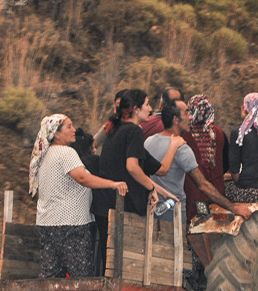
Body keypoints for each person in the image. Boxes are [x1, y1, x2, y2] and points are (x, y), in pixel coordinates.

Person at [92, 89, 182, 274]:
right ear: (135, 109)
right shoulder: (133, 131)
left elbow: (135, 171)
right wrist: (151, 189)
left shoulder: (115, 130)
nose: (150, 108)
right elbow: (132, 167)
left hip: (104, 205)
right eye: (147, 104)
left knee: (108, 263)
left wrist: (160, 191)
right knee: (123, 265)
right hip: (121, 207)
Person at [29, 114, 128, 278]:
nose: (74, 130)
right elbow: (82, 177)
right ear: (56, 134)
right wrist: (113, 184)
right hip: (70, 225)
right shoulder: (66, 153)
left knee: (51, 273)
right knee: (81, 275)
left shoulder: (43, 156)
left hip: (46, 223)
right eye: (69, 127)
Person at [145, 100, 253, 224]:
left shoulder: (148, 141)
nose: (191, 117)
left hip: (154, 211)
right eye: (186, 113)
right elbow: (203, 185)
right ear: (176, 119)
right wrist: (233, 207)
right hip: (175, 215)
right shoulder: (182, 147)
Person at [180, 94, 230, 223]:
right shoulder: (219, 133)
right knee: (217, 224)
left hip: (194, 191)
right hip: (217, 191)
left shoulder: (184, 134)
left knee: (195, 224)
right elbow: (226, 163)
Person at [93, 89, 128, 154]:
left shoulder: (135, 128)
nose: (118, 107)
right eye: (117, 104)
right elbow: (93, 142)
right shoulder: (110, 126)